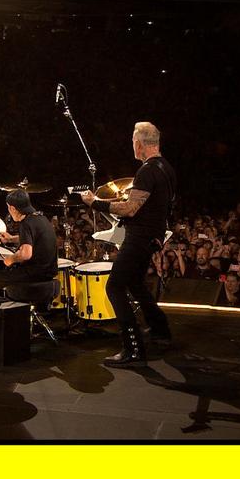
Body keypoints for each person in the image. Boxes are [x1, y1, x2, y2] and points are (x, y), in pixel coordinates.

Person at [80, 121, 174, 367]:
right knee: (135, 283)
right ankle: (160, 330)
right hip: (152, 235)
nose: (132, 145)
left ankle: (133, 349)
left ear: (139, 144)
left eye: (133, 141)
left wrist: (94, 202)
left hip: (139, 238)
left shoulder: (147, 171)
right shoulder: (166, 167)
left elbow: (130, 209)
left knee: (114, 287)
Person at [0, 189, 57, 293]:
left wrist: (11, 259)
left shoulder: (26, 223)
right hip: (48, 272)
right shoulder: (41, 218)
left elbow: (26, 255)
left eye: (8, 207)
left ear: (13, 208)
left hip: (34, 274)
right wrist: (11, 238)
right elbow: (35, 237)